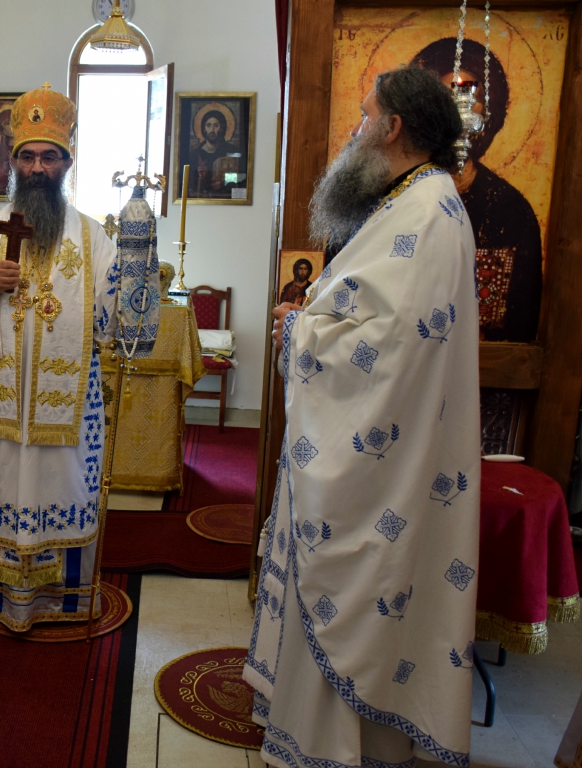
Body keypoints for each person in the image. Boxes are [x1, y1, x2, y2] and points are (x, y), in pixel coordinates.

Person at [244, 67, 480, 767]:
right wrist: (312, 317)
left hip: (377, 465)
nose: (354, 128)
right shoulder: (414, 200)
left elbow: (387, 348)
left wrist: (299, 333)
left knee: (358, 591)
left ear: (393, 127)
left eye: (364, 115)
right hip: (387, 454)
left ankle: (331, 746)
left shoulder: (426, 211)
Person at [0, 84, 122, 632]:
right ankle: (6, 596)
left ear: (67, 162)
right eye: (28, 156)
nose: (38, 167)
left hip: (71, 415)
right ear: (12, 161)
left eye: (49, 156)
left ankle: (66, 599)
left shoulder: (94, 238)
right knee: (8, 492)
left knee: (67, 491)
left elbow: (115, 319)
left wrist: (136, 268)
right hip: (6, 414)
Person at [413, 38, 542, 343]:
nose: (459, 110)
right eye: (445, 97)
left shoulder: (510, 210)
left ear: (489, 114)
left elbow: (522, 323)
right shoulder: (399, 195)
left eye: (471, 97)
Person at [191, 109, 241, 197]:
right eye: (208, 125)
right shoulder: (195, 155)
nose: (212, 130)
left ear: (221, 128)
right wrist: (200, 177)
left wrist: (223, 182)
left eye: (216, 125)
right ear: (204, 129)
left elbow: (241, 175)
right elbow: (190, 185)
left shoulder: (232, 150)